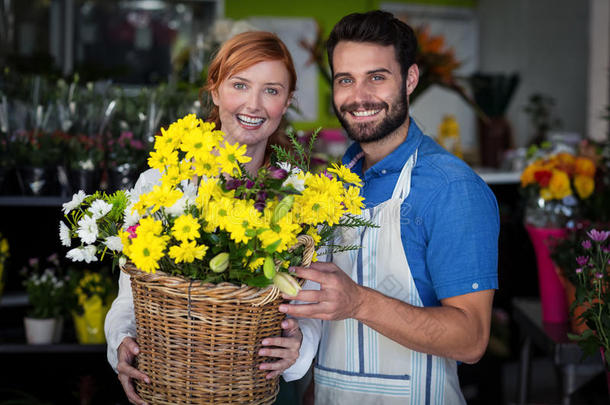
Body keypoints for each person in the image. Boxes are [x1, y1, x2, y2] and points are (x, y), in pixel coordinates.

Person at [281, 11, 500, 405]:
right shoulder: (329, 184)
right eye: (345, 79)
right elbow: (331, 337)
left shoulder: (453, 189)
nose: (359, 96)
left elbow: (472, 340)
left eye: (376, 77)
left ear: (410, 79)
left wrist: (359, 302)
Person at [104, 31, 309, 405]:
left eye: (272, 90)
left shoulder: (299, 197)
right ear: (214, 90)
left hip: (258, 388)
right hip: (168, 384)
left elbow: (310, 308)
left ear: (288, 102)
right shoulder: (160, 184)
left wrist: (299, 345)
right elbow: (128, 298)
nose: (254, 104)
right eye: (240, 85)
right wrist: (120, 343)